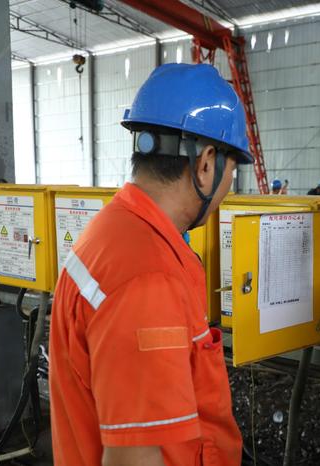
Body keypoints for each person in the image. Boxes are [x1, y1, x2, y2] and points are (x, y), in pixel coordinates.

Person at [49, 64, 250, 466]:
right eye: (233, 171)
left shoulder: (114, 229)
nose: (229, 187)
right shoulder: (148, 277)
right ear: (207, 163)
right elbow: (133, 457)